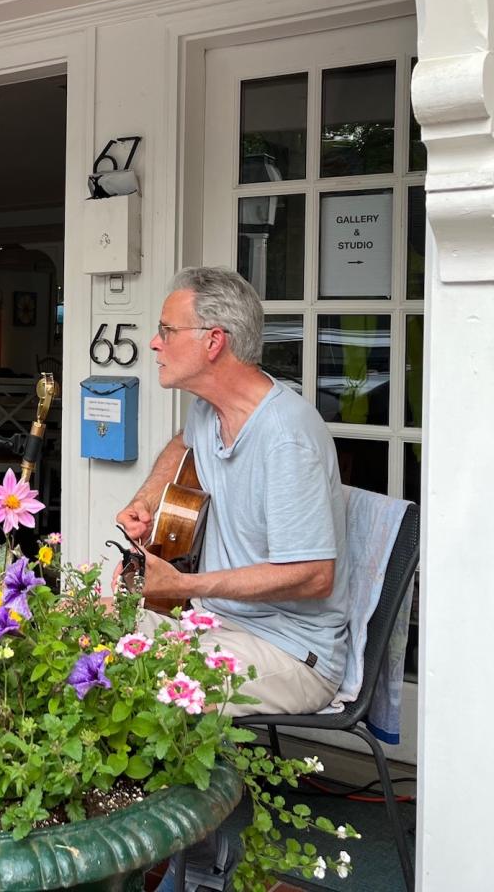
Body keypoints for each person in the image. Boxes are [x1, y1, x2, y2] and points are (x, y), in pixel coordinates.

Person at [117, 266, 350, 718]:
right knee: (84, 622)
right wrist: (147, 499)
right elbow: (182, 444)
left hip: (289, 651)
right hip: (217, 624)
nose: (154, 343)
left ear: (213, 341)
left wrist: (183, 585)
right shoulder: (209, 409)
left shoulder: (285, 438)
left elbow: (314, 576)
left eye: (167, 330)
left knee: (143, 682)